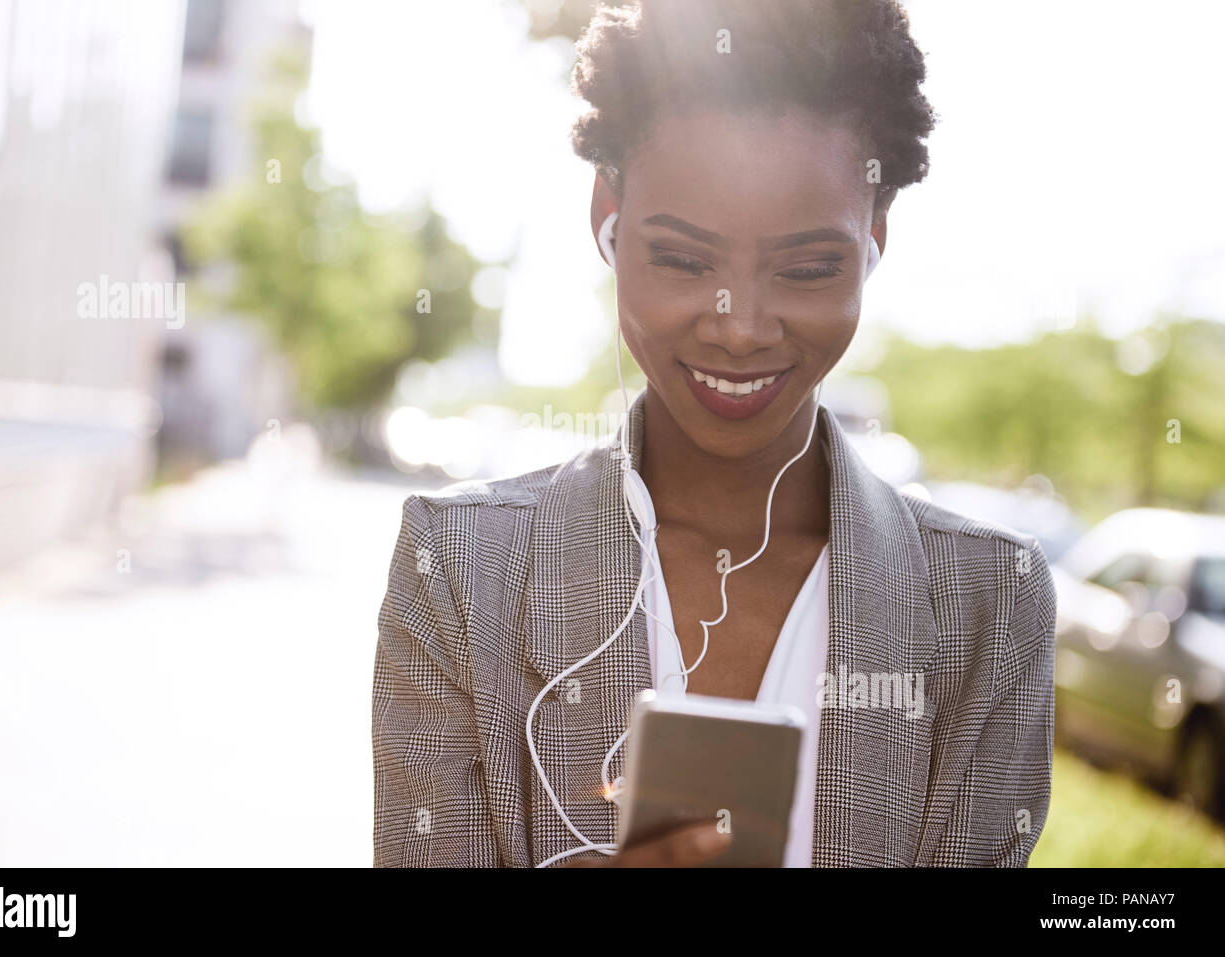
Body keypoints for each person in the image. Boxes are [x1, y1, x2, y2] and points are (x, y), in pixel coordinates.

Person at [372, 0, 1056, 867]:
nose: (740, 328)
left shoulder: (989, 601)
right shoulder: (458, 570)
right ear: (608, 220)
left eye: (808, 268)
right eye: (684, 260)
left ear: (873, 242)